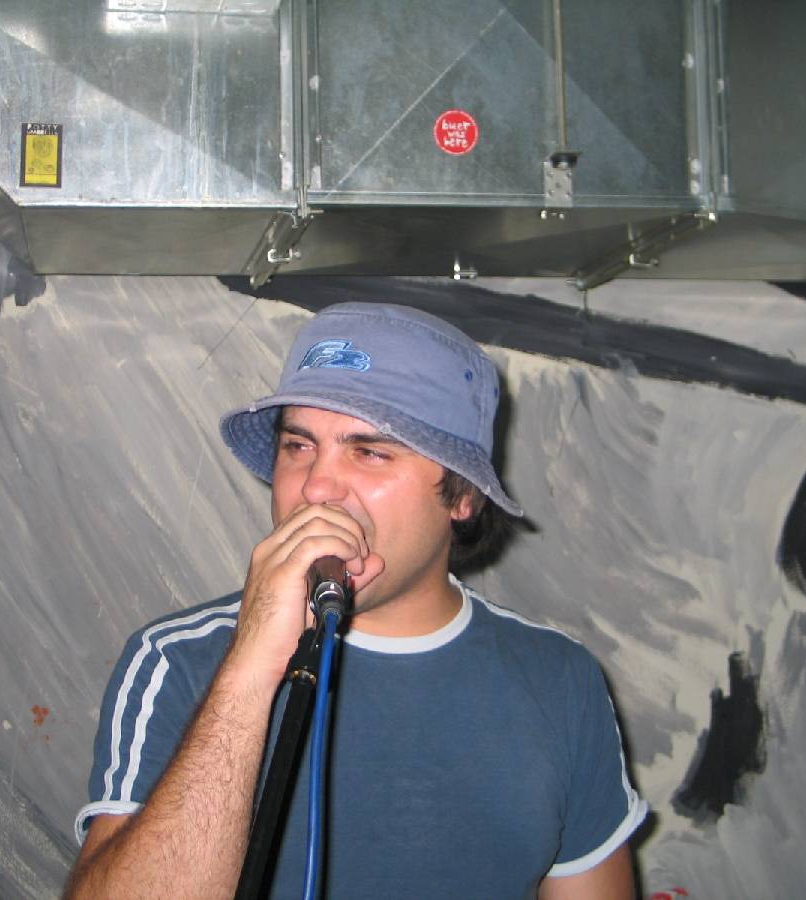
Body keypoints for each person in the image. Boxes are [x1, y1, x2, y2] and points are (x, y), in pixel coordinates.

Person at [66, 302, 647, 899]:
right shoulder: (177, 659)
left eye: (369, 451)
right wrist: (249, 668)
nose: (315, 486)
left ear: (463, 495)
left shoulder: (559, 681)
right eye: (298, 446)